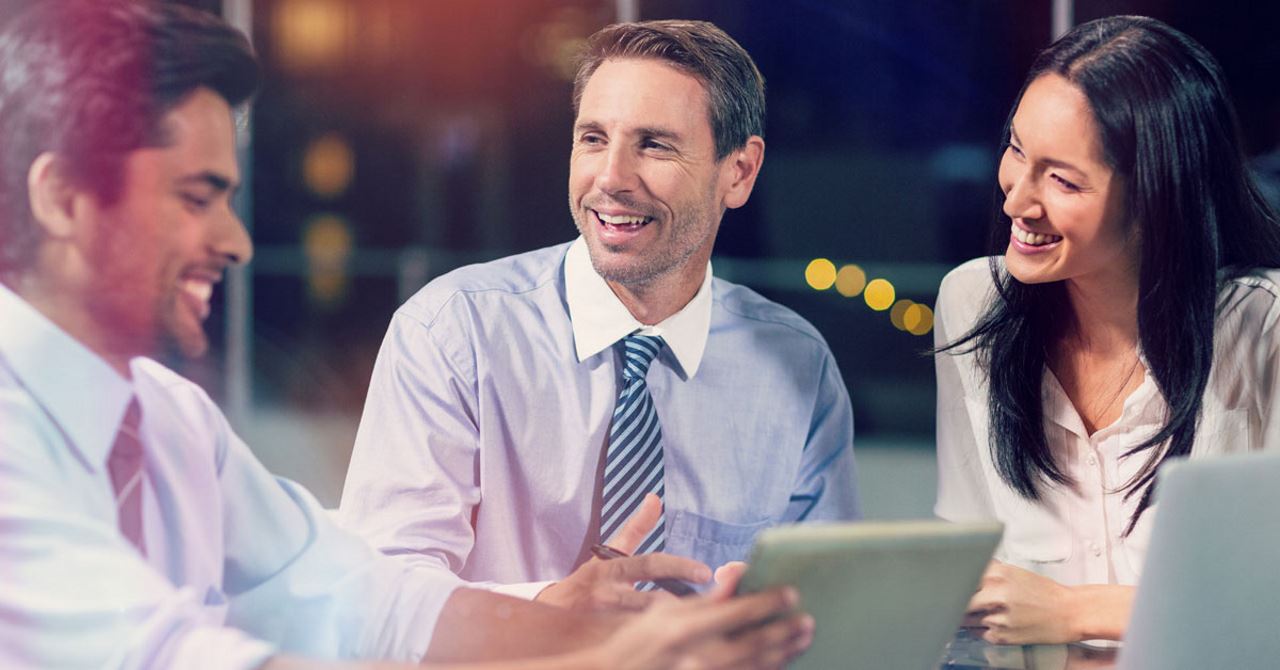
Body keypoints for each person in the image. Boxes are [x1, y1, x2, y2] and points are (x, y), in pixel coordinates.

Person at [0, 2, 814, 668]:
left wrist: (612, 632)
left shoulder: (171, 423)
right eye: (196, 197)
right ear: (65, 199)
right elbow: (175, 658)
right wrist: (613, 661)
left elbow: (365, 601)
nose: (237, 242)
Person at [338, 19, 859, 608]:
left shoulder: (797, 368)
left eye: (654, 144)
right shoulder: (453, 333)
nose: (610, 179)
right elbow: (382, 598)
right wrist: (547, 611)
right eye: (592, 139)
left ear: (737, 173)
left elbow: (825, 607)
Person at [934, 15, 1280, 646]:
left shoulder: (1264, 329)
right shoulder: (972, 302)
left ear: (1157, 196)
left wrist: (1073, 611)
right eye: (1016, 151)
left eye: (1063, 180)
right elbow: (970, 561)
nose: (1016, 200)